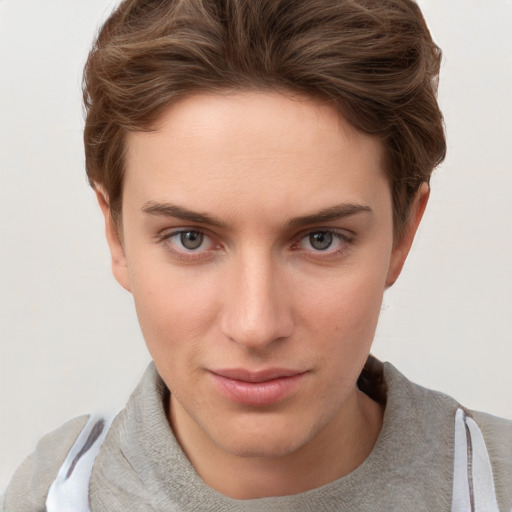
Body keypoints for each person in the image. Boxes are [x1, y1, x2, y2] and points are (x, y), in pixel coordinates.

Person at [3, 0, 511, 510]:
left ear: (404, 232)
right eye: (191, 239)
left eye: (321, 239)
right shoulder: (47, 493)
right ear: (116, 235)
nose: (255, 326)